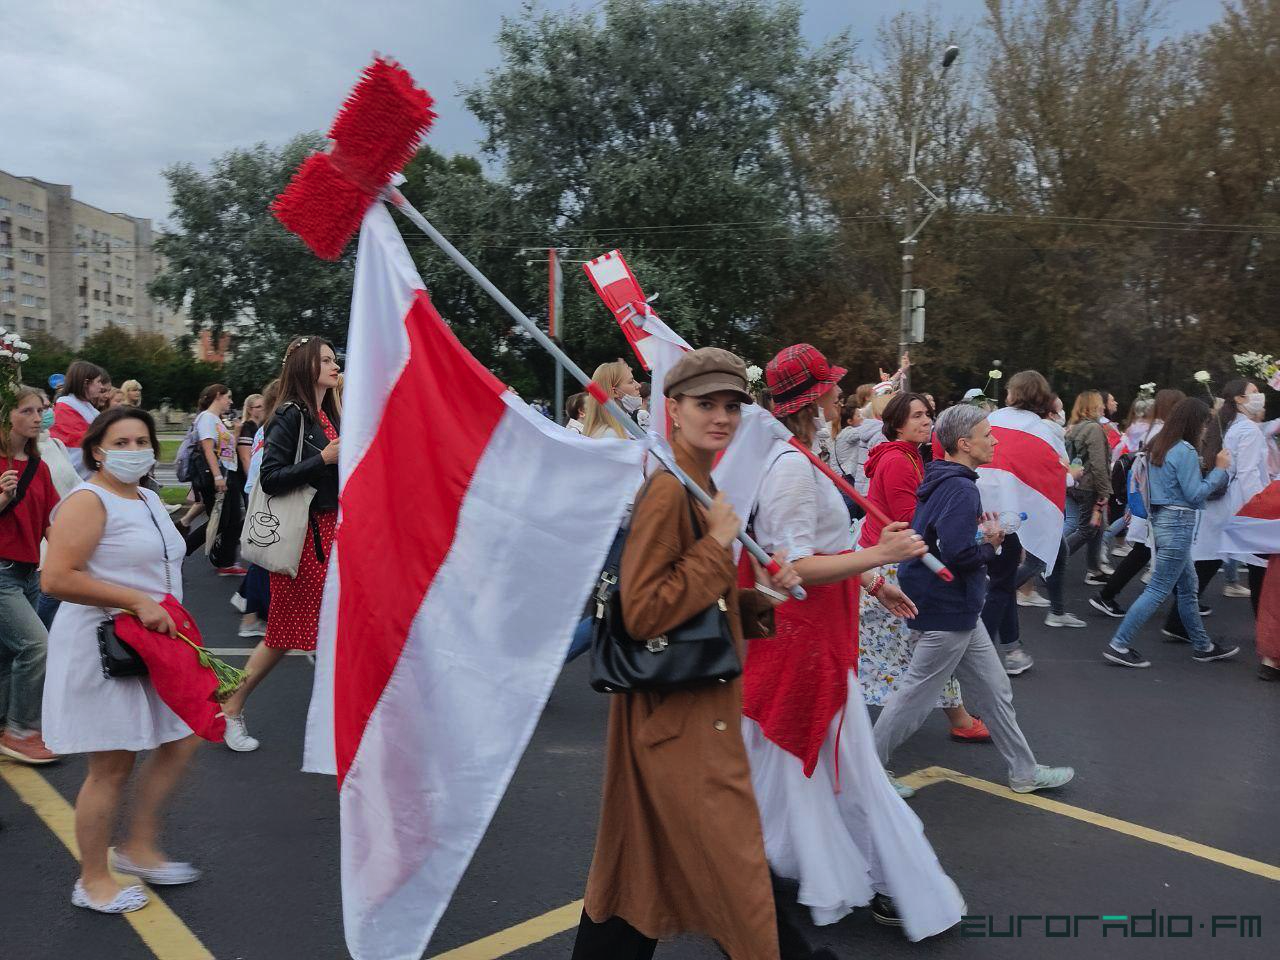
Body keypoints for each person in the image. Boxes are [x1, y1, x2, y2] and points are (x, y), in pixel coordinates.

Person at [574, 347, 812, 960]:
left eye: (732, 405)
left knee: (639, 870)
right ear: (671, 410)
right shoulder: (667, 491)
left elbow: (689, 598)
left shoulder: (701, 482)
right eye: (705, 404)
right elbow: (646, 610)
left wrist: (754, 602)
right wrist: (719, 543)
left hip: (676, 710)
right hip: (681, 720)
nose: (722, 417)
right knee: (739, 877)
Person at [744, 346, 965, 938]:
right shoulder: (790, 465)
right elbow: (785, 567)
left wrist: (870, 578)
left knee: (804, 766)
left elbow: (822, 547)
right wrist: (879, 557)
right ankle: (894, 884)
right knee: (845, 768)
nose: (841, 395)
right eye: (832, 388)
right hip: (807, 642)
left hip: (819, 635)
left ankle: (751, 863)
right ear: (812, 398)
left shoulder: (798, 453)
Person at [40, 406, 200, 914]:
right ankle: (91, 880)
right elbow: (56, 577)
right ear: (96, 450)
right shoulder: (88, 500)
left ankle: (138, 847)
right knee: (111, 766)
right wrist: (135, 600)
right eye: (122, 442)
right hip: (107, 645)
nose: (134, 451)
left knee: (180, 740)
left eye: (142, 441)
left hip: (156, 638)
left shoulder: (149, 496)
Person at [874, 404, 1075, 795]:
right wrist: (991, 546)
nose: (995, 439)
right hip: (945, 608)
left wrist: (981, 542)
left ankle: (1024, 771)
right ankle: (869, 772)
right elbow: (955, 553)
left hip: (953, 607)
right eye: (987, 434)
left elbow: (943, 542)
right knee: (914, 697)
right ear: (965, 444)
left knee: (996, 690)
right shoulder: (962, 487)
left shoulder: (945, 478)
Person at [218, 338, 340, 752]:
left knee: (321, 629)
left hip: (329, 532)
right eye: (325, 360)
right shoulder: (290, 414)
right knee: (286, 635)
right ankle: (231, 707)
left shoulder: (327, 413)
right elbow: (271, 477)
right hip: (303, 539)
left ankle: (341, 717)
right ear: (306, 366)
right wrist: (322, 460)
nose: (334, 365)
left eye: (334, 358)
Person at [857, 392, 990, 745]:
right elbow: (909, 521)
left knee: (922, 653)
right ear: (897, 423)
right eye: (916, 416)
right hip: (891, 567)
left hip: (894, 560)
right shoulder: (899, 461)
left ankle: (957, 718)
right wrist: (958, 529)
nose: (926, 421)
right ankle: (868, 749)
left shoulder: (911, 456)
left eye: (928, 415)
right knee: (919, 655)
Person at [1104, 397, 1239, 667]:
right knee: (1158, 589)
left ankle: (1203, 645)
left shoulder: (1159, 447)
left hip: (1163, 521)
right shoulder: (1185, 450)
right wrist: (1220, 471)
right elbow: (1195, 494)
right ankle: (1119, 644)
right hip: (1179, 524)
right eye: (1204, 424)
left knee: (1188, 589)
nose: (1204, 430)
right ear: (1194, 423)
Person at [1160, 380, 1270, 639]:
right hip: (1238, 505)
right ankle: (1268, 633)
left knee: (1207, 562)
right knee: (1258, 566)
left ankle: (1177, 622)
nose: (1260, 397)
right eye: (1254, 393)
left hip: (1219, 504)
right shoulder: (1248, 430)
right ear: (1239, 399)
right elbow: (1248, 475)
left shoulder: (1230, 426)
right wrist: (1259, 509)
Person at [0, 386, 59, 764]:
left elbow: (52, 523)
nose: (39, 417)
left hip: (28, 573)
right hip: (1, 574)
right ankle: (20, 729)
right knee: (37, 646)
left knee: (10, 654)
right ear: (9, 416)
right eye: (30, 410)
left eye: (41, 410)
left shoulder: (40, 466)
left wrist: (74, 558)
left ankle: (8, 722)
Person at [1091, 389, 1186, 617]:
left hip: (1146, 498)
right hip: (1157, 502)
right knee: (1163, 553)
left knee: (1146, 551)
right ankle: (1185, 603)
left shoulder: (1151, 428)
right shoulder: (1166, 432)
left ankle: (1108, 595)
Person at [190, 384, 245, 575]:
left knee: (232, 520)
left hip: (228, 474)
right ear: (218, 396)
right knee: (221, 521)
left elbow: (226, 450)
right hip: (217, 476)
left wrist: (236, 433)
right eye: (228, 397)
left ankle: (226, 562)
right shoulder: (206, 418)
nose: (230, 401)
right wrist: (218, 476)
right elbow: (207, 449)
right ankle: (182, 549)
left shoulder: (217, 420)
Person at [1065, 391, 1112, 584]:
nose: (1103, 407)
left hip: (1074, 483)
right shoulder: (1094, 429)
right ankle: (1049, 563)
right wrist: (1105, 490)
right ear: (1093, 406)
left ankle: (1094, 569)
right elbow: (1098, 464)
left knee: (1097, 527)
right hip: (1089, 486)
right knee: (1087, 529)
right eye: (1100, 403)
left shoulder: (1073, 427)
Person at [49, 360, 107, 479]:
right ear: (86, 383)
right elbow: (73, 447)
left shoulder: (84, 406)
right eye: (99, 381)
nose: (101, 387)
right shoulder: (65, 408)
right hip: (78, 476)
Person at [581, 360, 641, 439]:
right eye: (631, 382)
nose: (638, 385)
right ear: (614, 392)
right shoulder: (610, 435)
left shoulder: (618, 429)